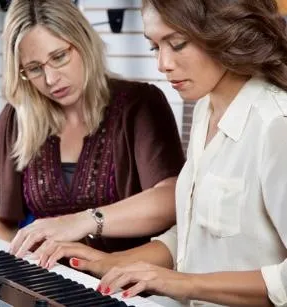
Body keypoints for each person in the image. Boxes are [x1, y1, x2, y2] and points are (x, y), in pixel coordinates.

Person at [24, 0, 287, 306]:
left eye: (177, 44)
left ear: (226, 33)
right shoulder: (206, 109)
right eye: (154, 47)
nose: (163, 64)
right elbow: (195, 236)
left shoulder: (275, 126)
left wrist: (179, 283)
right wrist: (111, 262)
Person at [0, 0, 185, 257]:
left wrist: (83, 221)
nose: (51, 80)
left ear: (84, 41)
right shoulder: (16, 118)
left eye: (59, 57)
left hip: (125, 276)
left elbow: (170, 199)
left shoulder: (140, 104)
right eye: (34, 69)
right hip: (46, 281)